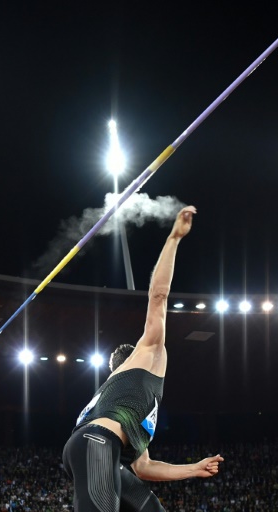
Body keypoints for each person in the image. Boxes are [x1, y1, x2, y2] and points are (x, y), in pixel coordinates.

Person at [62, 205, 224, 512]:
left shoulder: (132, 405)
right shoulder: (145, 355)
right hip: (97, 444)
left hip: (101, 450)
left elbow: (144, 467)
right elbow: (158, 297)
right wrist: (174, 238)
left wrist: (194, 468)